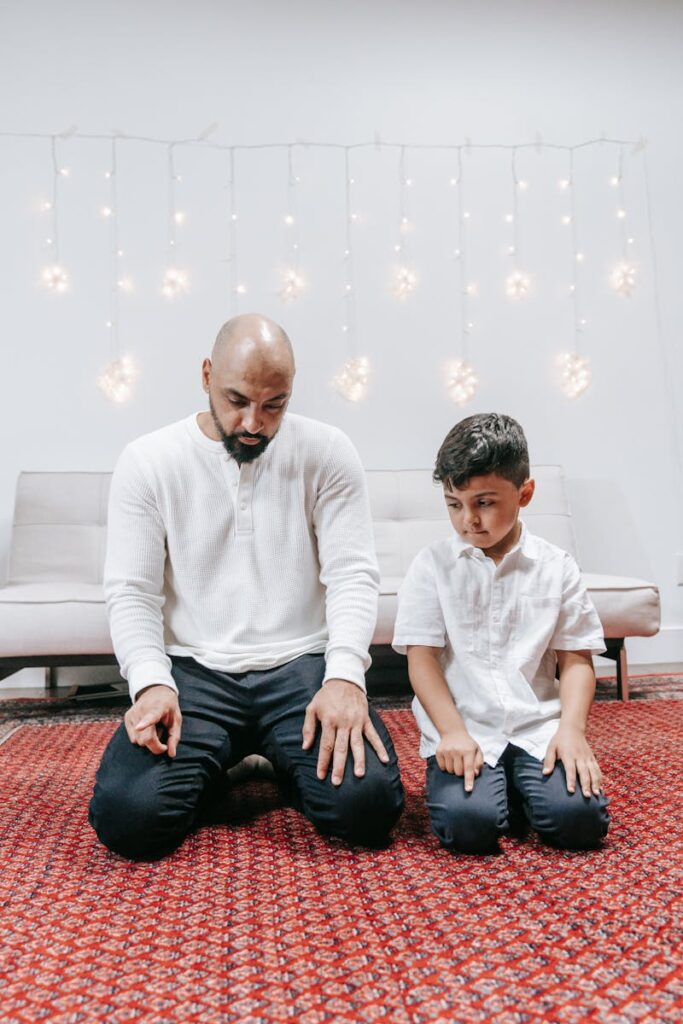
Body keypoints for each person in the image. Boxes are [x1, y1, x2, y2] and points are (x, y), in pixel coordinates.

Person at [89, 314, 404, 859]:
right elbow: (133, 592)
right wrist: (150, 684)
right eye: (237, 400)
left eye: (274, 404)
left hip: (301, 666)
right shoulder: (148, 461)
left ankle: (272, 759)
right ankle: (241, 759)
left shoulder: (328, 452)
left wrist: (346, 677)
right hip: (193, 672)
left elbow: (352, 574)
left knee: (368, 808)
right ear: (206, 375)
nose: (253, 423)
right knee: (129, 818)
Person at [392, 413, 610, 854]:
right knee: (468, 828)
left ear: (524, 493)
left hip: (537, 727)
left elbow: (576, 660)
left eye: (484, 503)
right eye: (454, 504)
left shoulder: (556, 566)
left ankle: (520, 785)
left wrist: (572, 731)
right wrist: (451, 733)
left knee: (580, 823)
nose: (468, 519)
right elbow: (422, 660)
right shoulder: (432, 566)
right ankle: (505, 791)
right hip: (466, 727)